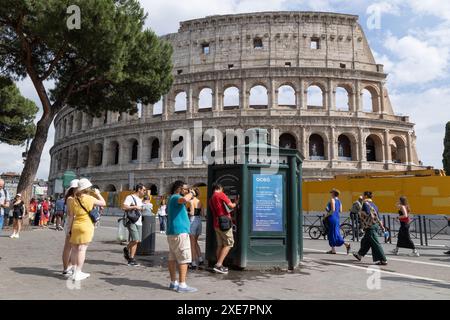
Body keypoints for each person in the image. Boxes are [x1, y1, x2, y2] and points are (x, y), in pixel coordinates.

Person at [68, 178, 106, 281]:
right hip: (86, 225)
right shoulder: (90, 198)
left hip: (76, 225)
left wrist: (69, 229)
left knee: (75, 249)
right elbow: (103, 203)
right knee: (82, 249)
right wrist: (98, 193)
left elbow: (71, 216)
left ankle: (74, 271)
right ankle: (78, 272)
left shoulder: (73, 199)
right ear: (87, 188)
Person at [166, 180, 197, 293]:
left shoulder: (172, 198)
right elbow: (184, 199)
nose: (187, 190)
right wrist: (192, 193)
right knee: (184, 258)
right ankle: (182, 285)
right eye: (185, 189)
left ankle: (173, 282)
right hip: (179, 232)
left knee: (172, 258)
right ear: (179, 188)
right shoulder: (175, 197)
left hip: (173, 232)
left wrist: (190, 195)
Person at [208, 182, 237, 274]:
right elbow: (231, 206)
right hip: (225, 223)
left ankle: (219, 265)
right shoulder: (221, 194)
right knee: (229, 243)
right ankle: (219, 265)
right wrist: (236, 203)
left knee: (220, 245)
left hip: (216, 223)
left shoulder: (211, 198)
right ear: (220, 187)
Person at [353, 191, 388, 265]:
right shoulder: (374, 205)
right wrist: (382, 227)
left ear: (365, 196)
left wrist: (361, 213)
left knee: (375, 243)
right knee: (365, 241)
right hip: (374, 225)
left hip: (370, 226)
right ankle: (359, 255)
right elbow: (378, 217)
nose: (362, 196)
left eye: (363, 195)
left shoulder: (365, 204)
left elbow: (367, 213)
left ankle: (383, 260)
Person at [122, 183, 146, 266]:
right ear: (139, 189)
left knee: (136, 241)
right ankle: (126, 249)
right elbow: (124, 207)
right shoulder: (130, 197)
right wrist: (135, 207)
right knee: (135, 239)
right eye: (144, 190)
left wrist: (142, 208)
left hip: (138, 221)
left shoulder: (139, 199)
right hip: (131, 221)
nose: (144, 192)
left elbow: (139, 209)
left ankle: (131, 259)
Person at [325, 189, 351, 254]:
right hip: (337, 218)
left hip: (332, 217)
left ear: (334, 193)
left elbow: (333, 210)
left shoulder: (332, 200)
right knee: (335, 233)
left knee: (332, 233)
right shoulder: (339, 201)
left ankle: (346, 244)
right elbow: (340, 211)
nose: (331, 194)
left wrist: (326, 215)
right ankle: (333, 249)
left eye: (331, 192)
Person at [62, 179, 79, 277]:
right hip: (70, 223)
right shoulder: (70, 199)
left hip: (76, 223)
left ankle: (70, 265)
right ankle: (65, 268)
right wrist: (69, 228)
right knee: (68, 246)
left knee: (75, 247)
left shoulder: (75, 198)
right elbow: (70, 214)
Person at [187, 188, 204, 269]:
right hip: (199, 221)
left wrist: (186, 211)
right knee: (195, 242)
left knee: (192, 244)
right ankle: (200, 259)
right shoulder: (200, 201)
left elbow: (192, 213)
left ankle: (193, 263)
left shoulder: (191, 201)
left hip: (192, 221)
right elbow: (203, 213)